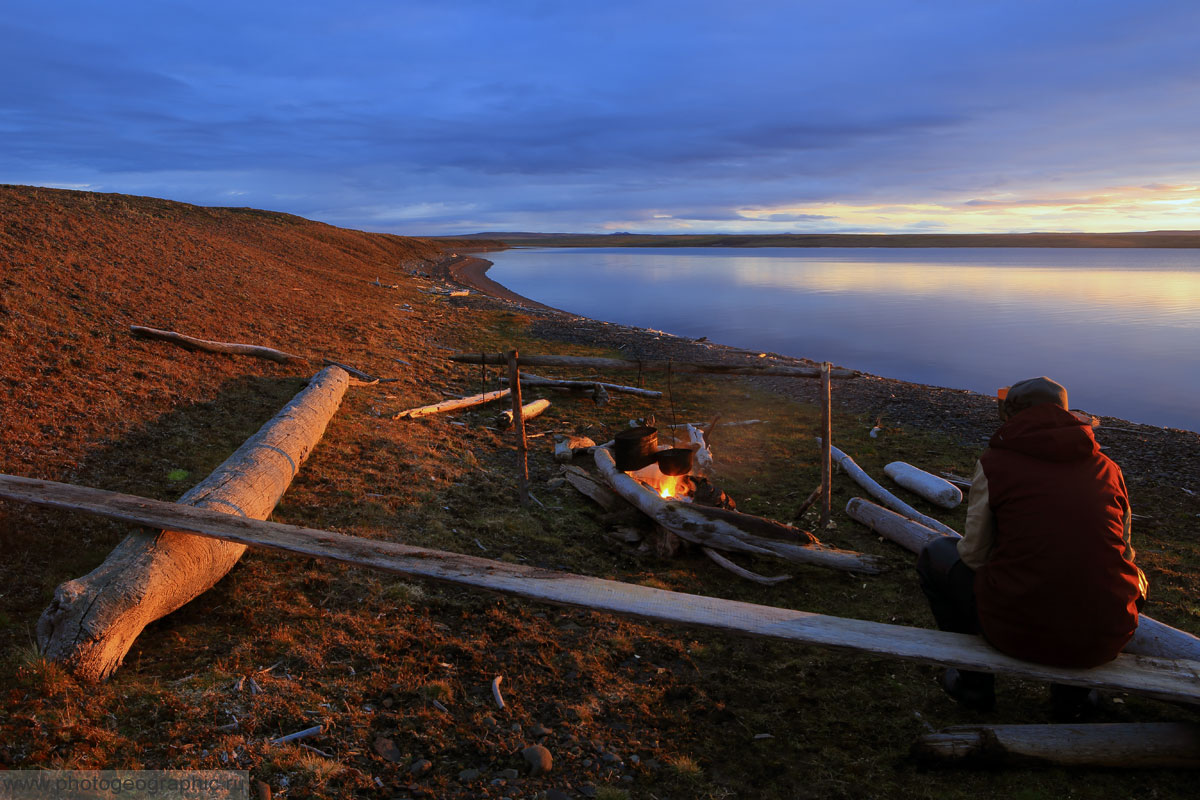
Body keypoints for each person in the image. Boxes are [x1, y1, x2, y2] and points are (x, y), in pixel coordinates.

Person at [916, 376, 1148, 713]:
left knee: (935, 555)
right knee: (1115, 578)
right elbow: (1125, 554)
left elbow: (973, 556)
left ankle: (975, 686)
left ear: (1012, 416)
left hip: (1015, 633)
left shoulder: (995, 464)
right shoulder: (1109, 469)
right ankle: (1073, 699)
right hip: (1104, 638)